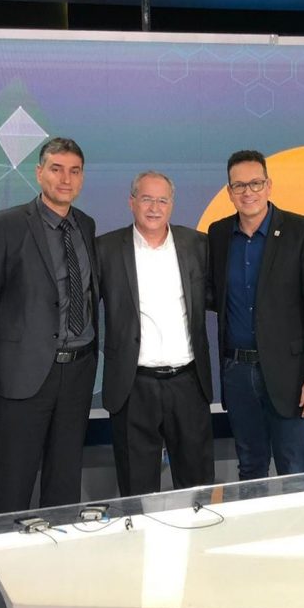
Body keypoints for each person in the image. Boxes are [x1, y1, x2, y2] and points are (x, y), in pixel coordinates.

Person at [0, 137, 99, 513]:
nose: (65, 179)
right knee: (14, 487)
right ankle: (5, 553)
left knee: (64, 484)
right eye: (56, 169)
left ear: (82, 177)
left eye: (74, 171)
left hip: (78, 373)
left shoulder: (86, 225)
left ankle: (60, 551)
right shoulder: (5, 225)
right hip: (22, 376)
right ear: (39, 173)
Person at [207, 149, 304, 480]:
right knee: (250, 467)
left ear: (268, 186)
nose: (248, 192)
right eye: (239, 186)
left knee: (294, 470)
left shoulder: (302, 232)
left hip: (289, 375)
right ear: (229, 192)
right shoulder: (218, 234)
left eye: (255, 183)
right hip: (237, 373)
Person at [97, 171, 215, 497]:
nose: (154, 208)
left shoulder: (197, 245)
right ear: (131, 202)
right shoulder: (106, 249)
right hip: (133, 386)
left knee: (198, 491)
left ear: (172, 205)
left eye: (162, 200)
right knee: (137, 493)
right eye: (146, 199)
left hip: (188, 383)